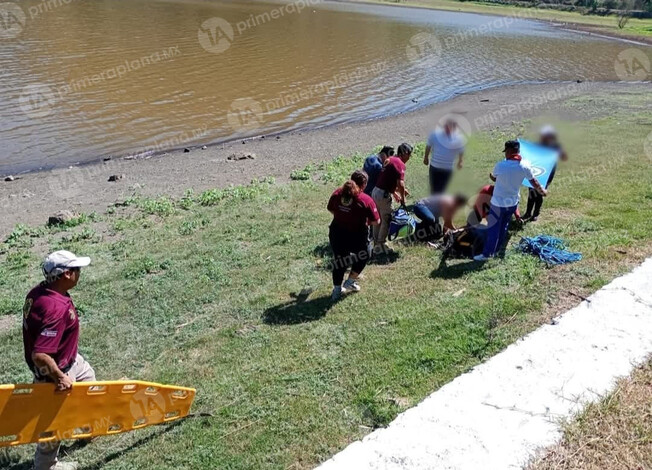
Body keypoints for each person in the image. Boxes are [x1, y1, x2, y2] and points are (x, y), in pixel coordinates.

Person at [23, 250, 95, 470]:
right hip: (55, 371)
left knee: (90, 384)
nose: (79, 273)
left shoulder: (40, 291)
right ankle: (46, 466)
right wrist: (60, 378)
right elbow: (40, 355)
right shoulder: (55, 309)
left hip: (71, 359)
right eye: (77, 269)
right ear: (66, 274)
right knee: (51, 427)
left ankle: (86, 429)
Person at [474, 141, 547, 261]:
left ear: (508, 151)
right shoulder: (525, 165)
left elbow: (495, 177)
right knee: (504, 227)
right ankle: (498, 249)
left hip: (498, 204)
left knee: (493, 229)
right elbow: (534, 182)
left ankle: (487, 254)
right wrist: (542, 191)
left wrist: (492, 177)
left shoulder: (501, 165)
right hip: (512, 203)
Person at [327, 170, 380, 301]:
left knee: (340, 260)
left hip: (337, 233)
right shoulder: (365, 199)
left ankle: (337, 289)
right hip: (357, 235)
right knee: (365, 254)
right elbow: (376, 221)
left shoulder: (338, 193)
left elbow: (330, 208)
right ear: (364, 184)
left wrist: (342, 215)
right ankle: (350, 281)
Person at [371, 143, 411, 252]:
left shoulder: (390, 159)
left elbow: (387, 180)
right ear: (405, 153)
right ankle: (381, 245)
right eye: (409, 155)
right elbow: (400, 183)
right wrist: (403, 199)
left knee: (378, 219)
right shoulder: (400, 163)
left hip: (376, 192)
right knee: (387, 219)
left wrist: (394, 192)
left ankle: (376, 243)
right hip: (383, 195)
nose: (409, 158)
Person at [523, 125, 568, 222]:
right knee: (531, 193)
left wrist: (559, 153)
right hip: (535, 172)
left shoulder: (555, 147)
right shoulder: (537, 145)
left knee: (539, 193)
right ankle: (528, 212)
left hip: (546, 175)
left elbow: (564, 157)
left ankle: (536, 213)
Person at [423, 119, 466, 194]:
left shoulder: (459, 138)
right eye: (447, 127)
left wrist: (460, 161)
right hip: (434, 166)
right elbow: (428, 146)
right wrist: (426, 157)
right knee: (433, 187)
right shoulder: (435, 135)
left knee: (444, 187)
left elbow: (461, 150)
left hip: (448, 168)